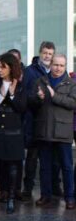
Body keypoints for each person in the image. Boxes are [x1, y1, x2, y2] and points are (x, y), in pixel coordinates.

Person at [29, 54, 76, 209]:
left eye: (62, 65)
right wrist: (38, 98)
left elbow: (73, 104)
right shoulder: (41, 81)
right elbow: (32, 104)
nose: (58, 68)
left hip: (63, 131)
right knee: (45, 166)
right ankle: (45, 196)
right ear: (51, 65)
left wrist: (55, 96)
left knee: (67, 166)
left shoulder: (71, 83)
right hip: (45, 129)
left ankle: (70, 197)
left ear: (65, 66)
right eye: (56, 65)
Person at [0, 53, 26, 214]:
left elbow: (22, 108)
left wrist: (13, 94)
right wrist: (1, 94)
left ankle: (11, 199)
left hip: (13, 132)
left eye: (3, 67)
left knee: (13, 168)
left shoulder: (20, 85)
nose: (0, 70)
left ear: (11, 68)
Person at [22, 41, 56, 200]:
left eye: (50, 54)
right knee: (32, 157)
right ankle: (27, 189)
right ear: (40, 53)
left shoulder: (56, 71)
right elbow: (25, 96)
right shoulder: (30, 71)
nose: (47, 56)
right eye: (45, 53)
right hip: (34, 120)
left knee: (50, 158)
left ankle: (50, 190)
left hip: (51, 121)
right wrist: (37, 98)